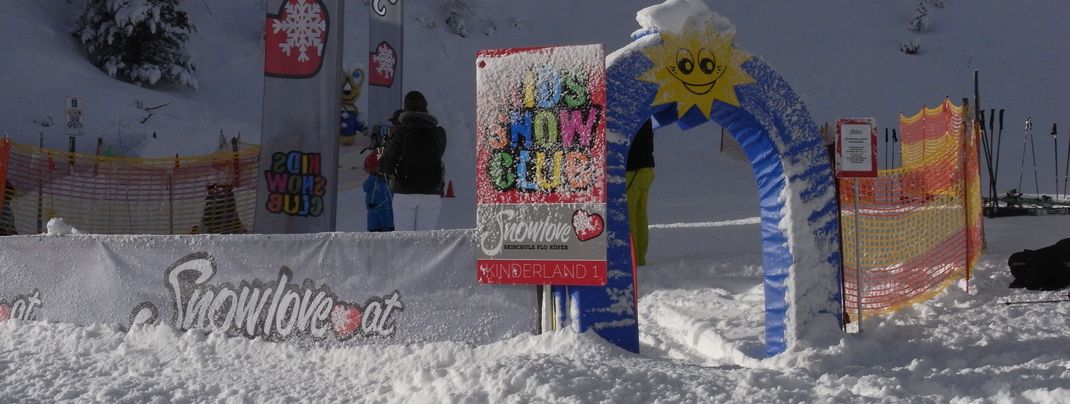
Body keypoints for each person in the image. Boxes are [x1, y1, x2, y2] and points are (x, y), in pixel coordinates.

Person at [378, 91, 446, 231]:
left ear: (406, 108)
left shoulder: (401, 133)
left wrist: (382, 161)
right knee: (426, 239)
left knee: (404, 239)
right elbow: (437, 156)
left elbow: (388, 166)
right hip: (431, 190)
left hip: (404, 190)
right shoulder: (438, 133)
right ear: (426, 107)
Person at [626, 119, 655, 265]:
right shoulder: (644, 114)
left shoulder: (630, 116)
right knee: (639, 215)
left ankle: (632, 258)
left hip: (633, 170)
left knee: (629, 216)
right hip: (646, 169)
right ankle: (639, 256)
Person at [362, 152, 394, 232]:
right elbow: (382, 208)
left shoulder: (380, 183)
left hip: (378, 224)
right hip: (381, 225)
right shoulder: (378, 185)